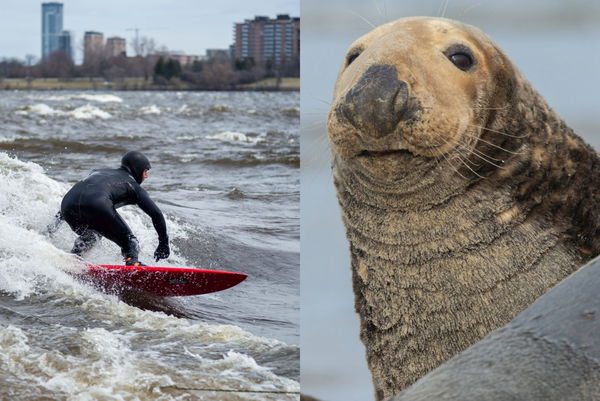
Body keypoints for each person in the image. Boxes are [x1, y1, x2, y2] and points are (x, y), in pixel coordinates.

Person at [51, 151, 170, 266]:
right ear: (137, 169)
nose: (146, 176)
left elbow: (82, 195)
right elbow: (156, 214)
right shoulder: (132, 185)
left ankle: (73, 259)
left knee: (92, 236)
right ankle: (132, 263)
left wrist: (52, 228)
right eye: (145, 171)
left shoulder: (97, 172)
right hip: (97, 204)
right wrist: (163, 243)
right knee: (130, 241)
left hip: (67, 205)